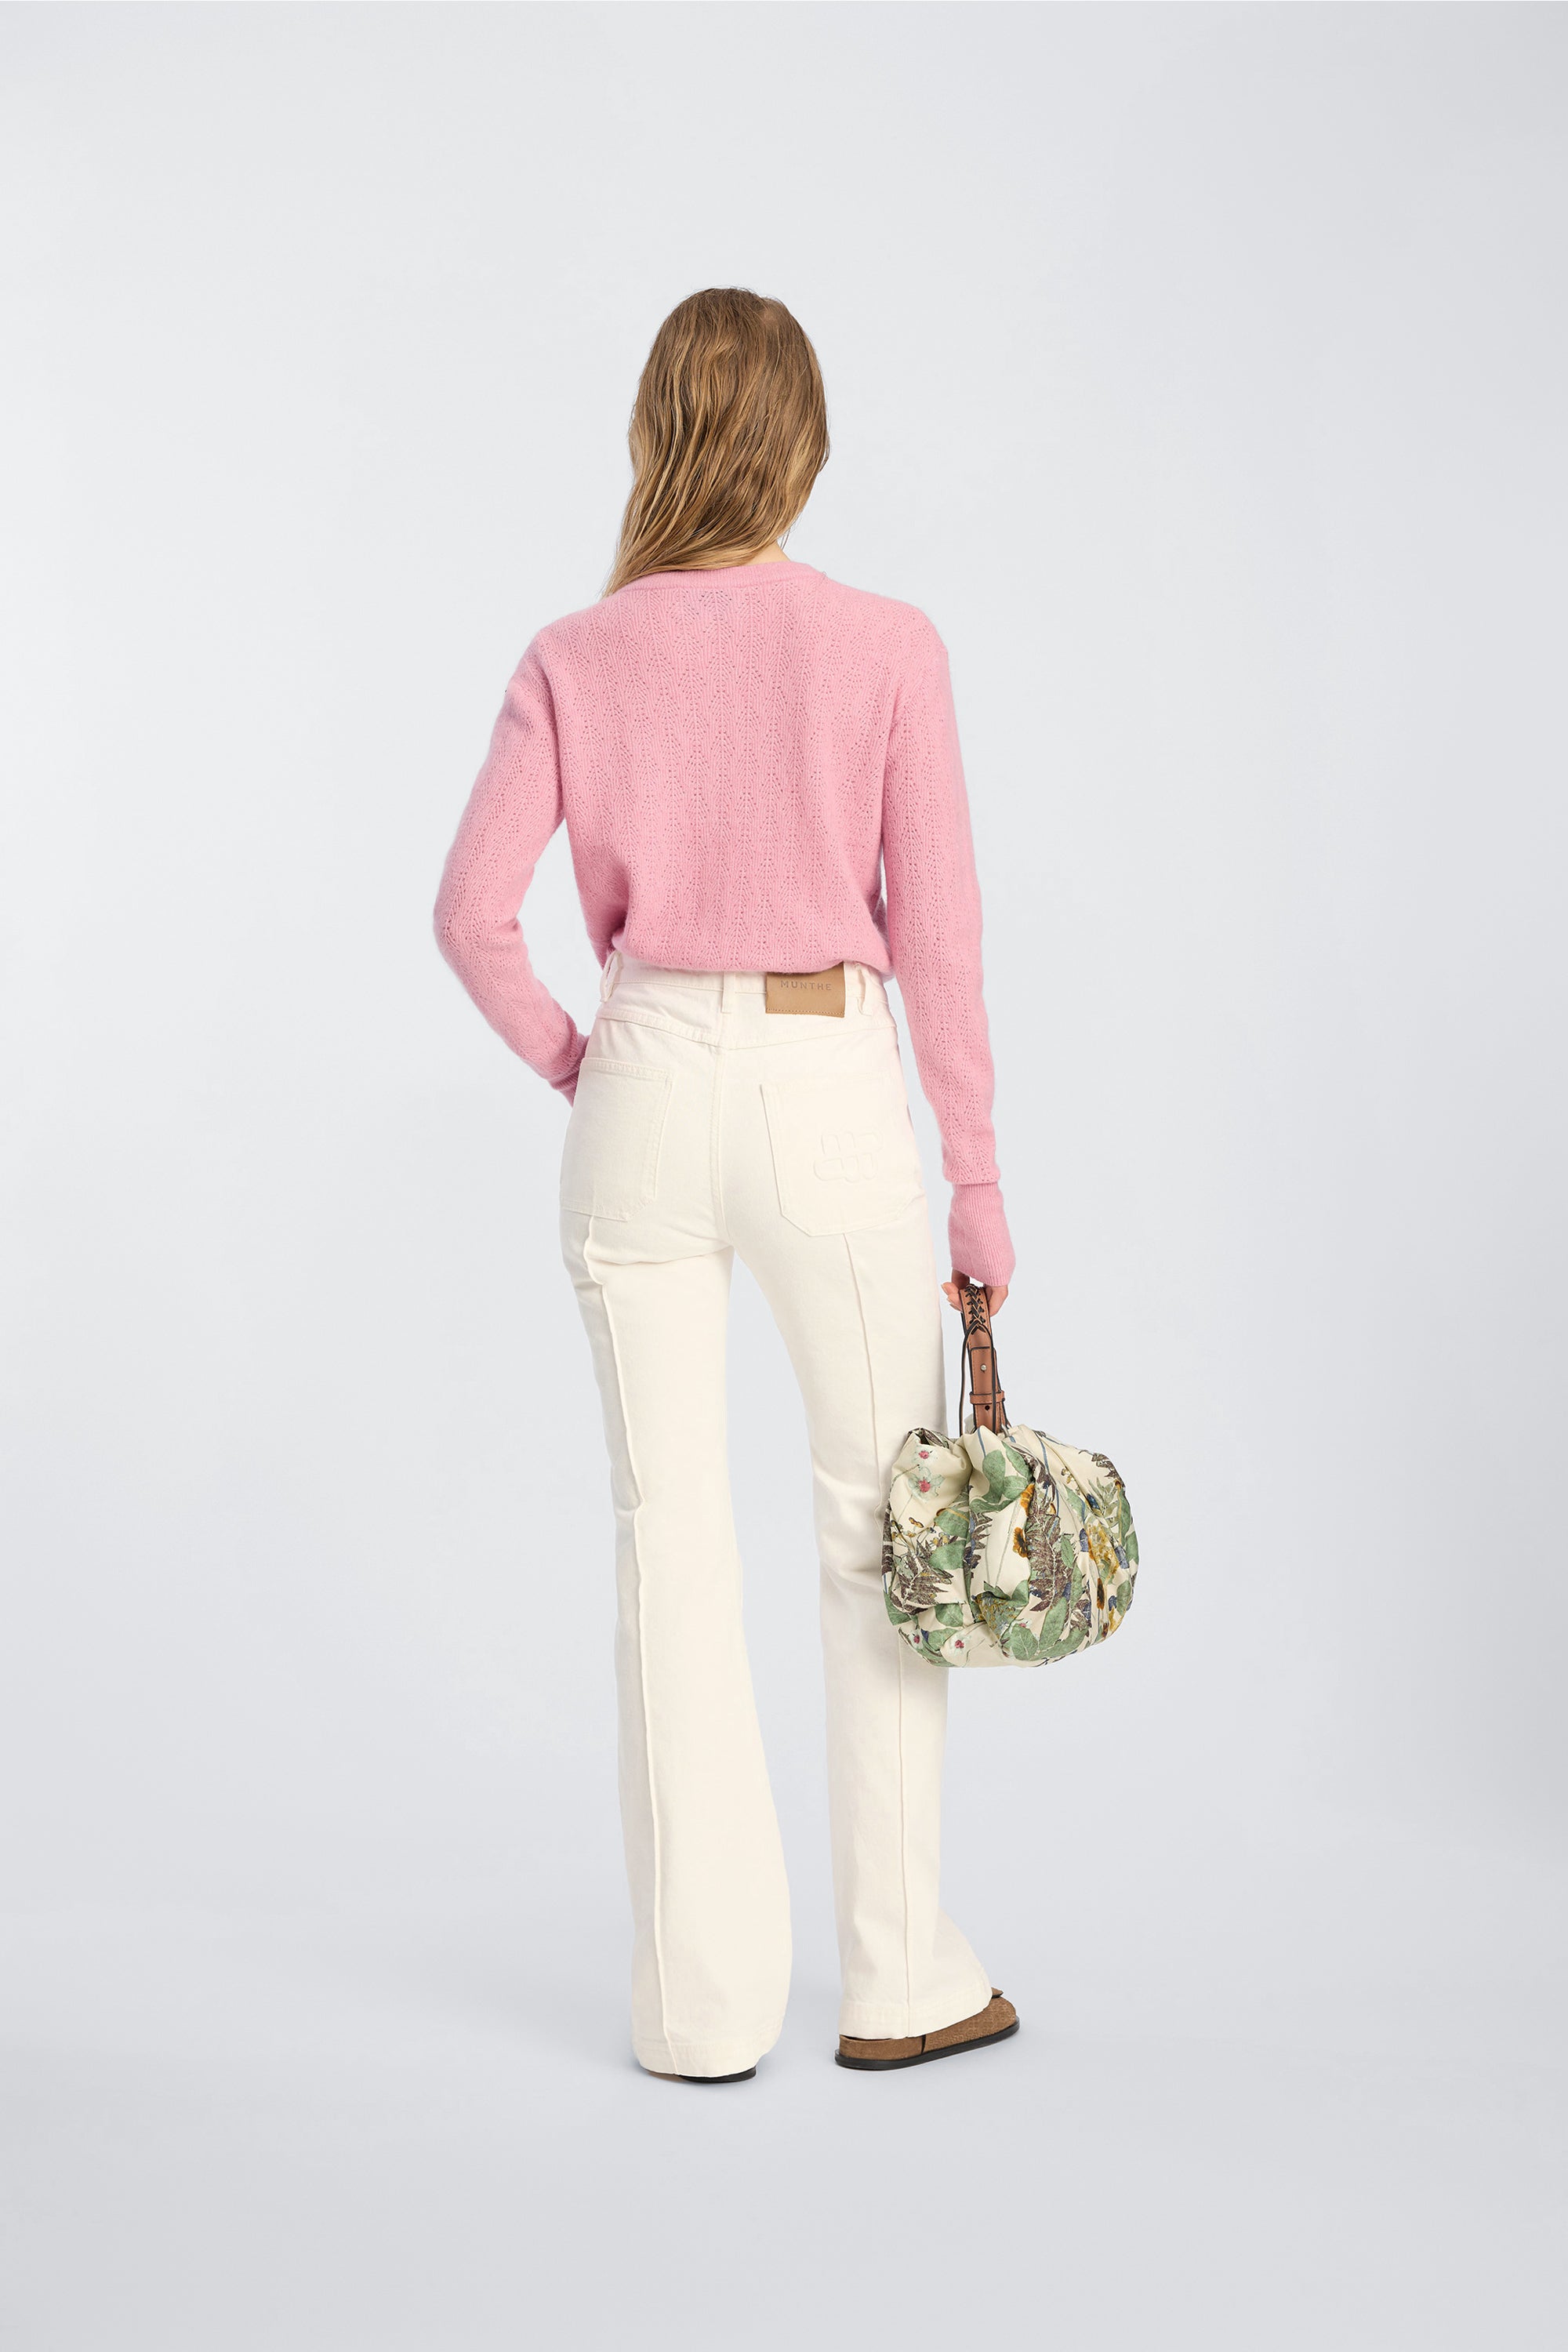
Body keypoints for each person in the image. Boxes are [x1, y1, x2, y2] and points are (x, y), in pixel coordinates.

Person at [434, 288, 1017, 2082]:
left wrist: (580, 1062)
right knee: (879, 1527)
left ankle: (696, 2011)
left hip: (642, 1083)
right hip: (825, 1083)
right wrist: (978, 1186)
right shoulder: (887, 645)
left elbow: (469, 916)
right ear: (805, 445)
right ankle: (898, 1978)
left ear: (655, 437)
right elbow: (943, 942)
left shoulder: (572, 654)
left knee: (665, 1541)